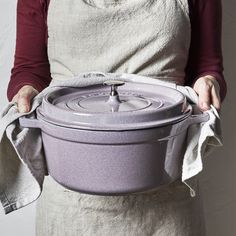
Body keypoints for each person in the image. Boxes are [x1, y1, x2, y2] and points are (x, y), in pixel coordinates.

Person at [7, 0, 227, 235]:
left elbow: (206, 66)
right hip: (70, 203)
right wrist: (25, 90)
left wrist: (208, 82)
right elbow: (30, 69)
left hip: (168, 199)